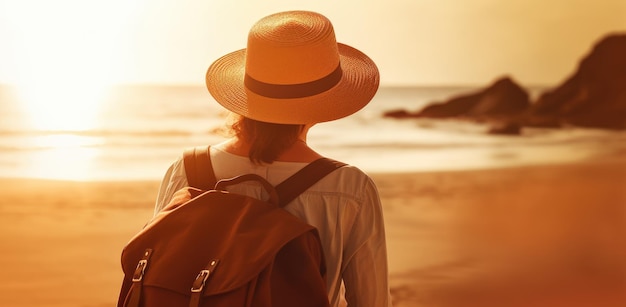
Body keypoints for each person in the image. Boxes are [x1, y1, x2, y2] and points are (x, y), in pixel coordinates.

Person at [153, 10, 391, 307]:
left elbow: (156, 271)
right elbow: (371, 300)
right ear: (325, 102)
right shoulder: (350, 189)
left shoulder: (188, 169)